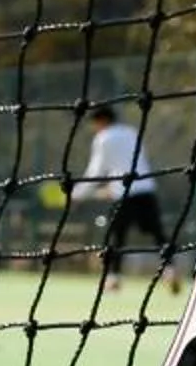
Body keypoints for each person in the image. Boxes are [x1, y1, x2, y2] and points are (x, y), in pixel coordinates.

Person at [73, 103, 179, 294]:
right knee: (158, 235)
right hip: (146, 189)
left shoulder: (103, 138)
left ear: (102, 120)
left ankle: (114, 279)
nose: (94, 127)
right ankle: (170, 270)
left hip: (124, 196)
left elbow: (96, 171)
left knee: (116, 238)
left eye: (94, 123)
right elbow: (131, 164)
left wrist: (77, 195)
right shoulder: (131, 132)